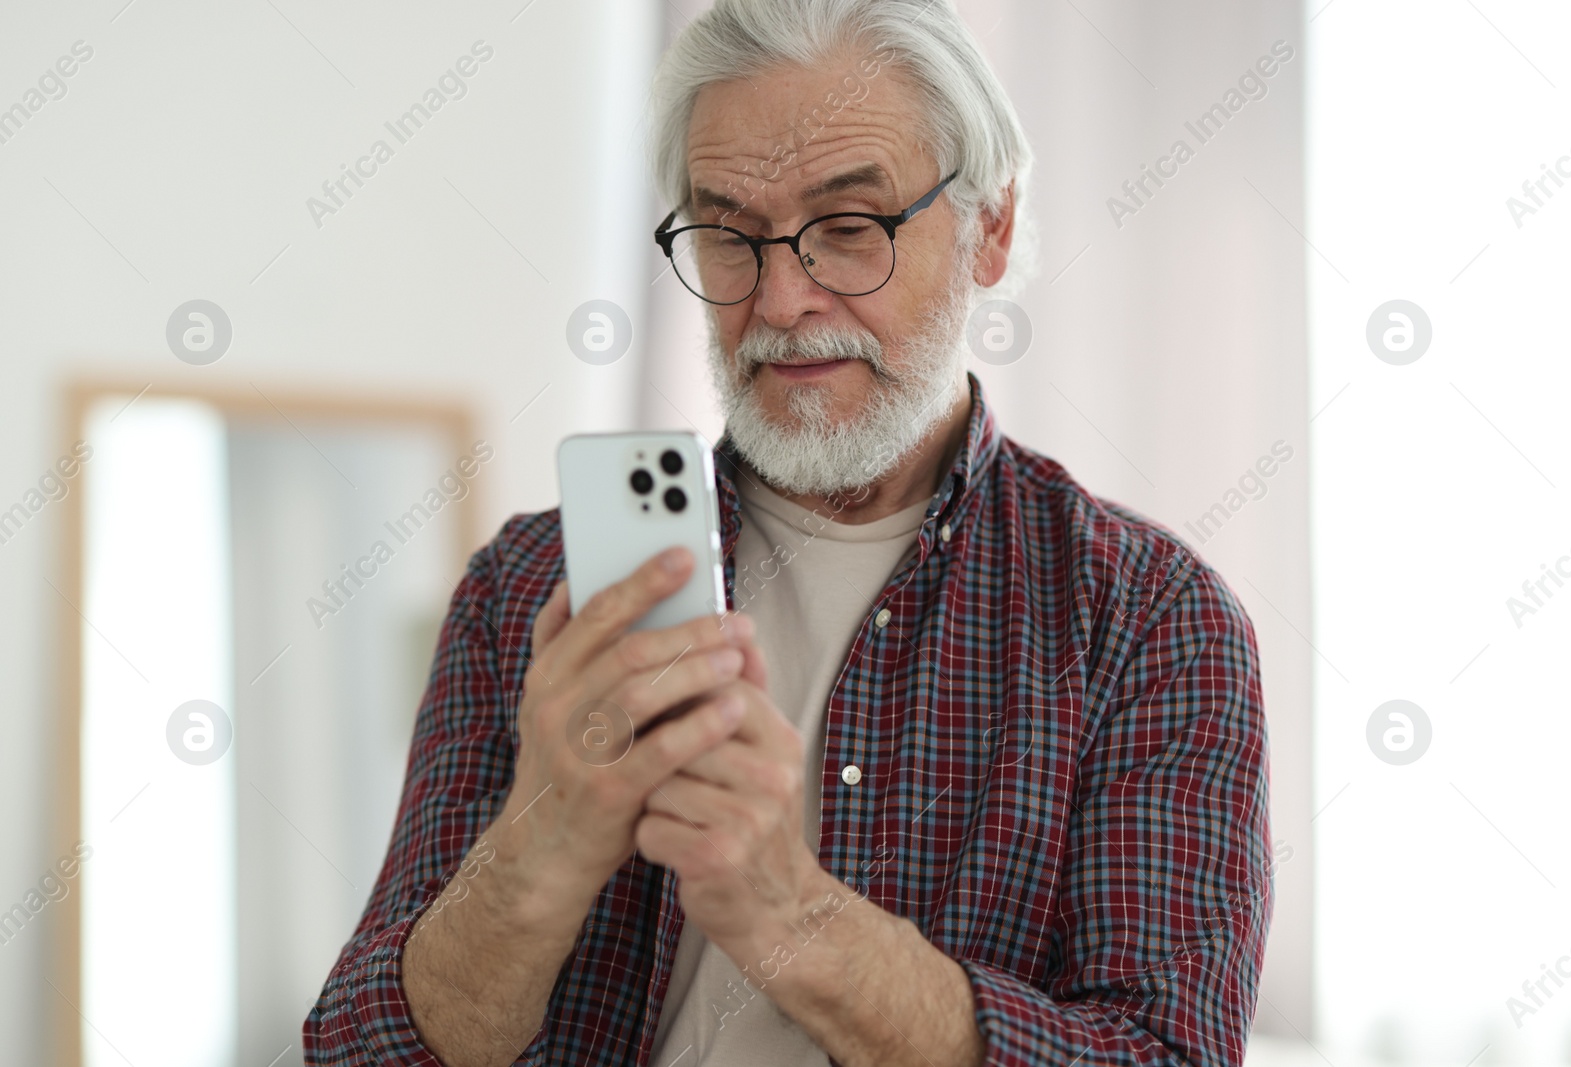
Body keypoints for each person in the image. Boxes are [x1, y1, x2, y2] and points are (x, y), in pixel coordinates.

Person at [304, 1, 1273, 1063]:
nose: (780, 298)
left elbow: (1161, 1052)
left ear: (989, 226)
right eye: (727, 234)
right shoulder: (532, 588)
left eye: (849, 229)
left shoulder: (1148, 619)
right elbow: (357, 1052)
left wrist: (793, 918)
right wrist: (543, 841)